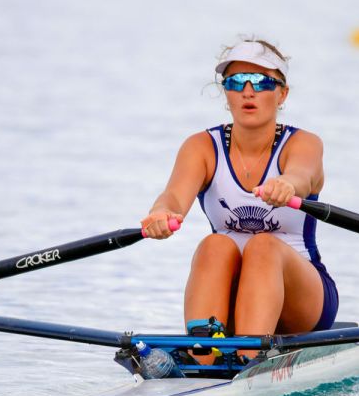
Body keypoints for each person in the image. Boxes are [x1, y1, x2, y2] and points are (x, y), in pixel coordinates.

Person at [140, 39, 338, 339]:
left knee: (263, 245)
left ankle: (247, 357)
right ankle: (205, 354)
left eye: (261, 82)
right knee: (213, 245)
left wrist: (287, 184)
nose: (248, 91)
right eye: (235, 82)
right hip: (229, 299)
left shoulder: (304, 143)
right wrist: (161, 212)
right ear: (226, 93)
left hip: (303, 301)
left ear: (282, 93)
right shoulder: (202, 147)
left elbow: (302, 174)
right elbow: (174, 196)